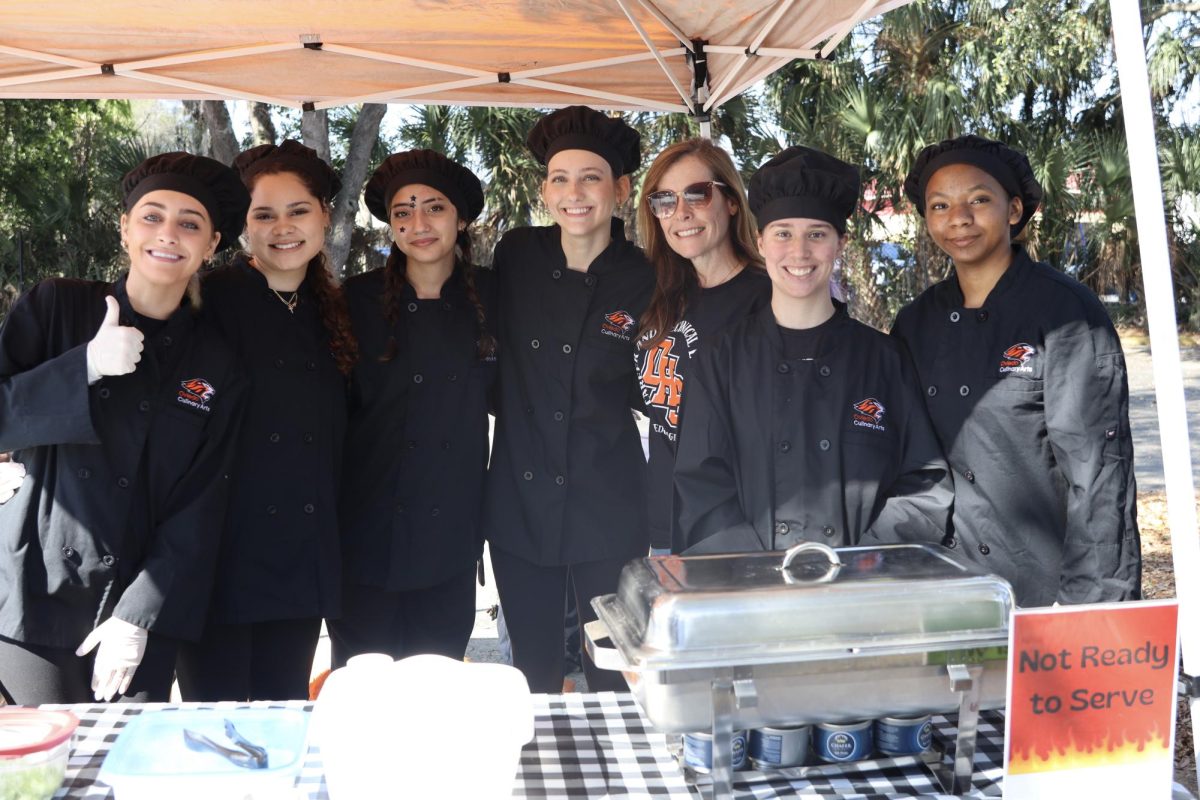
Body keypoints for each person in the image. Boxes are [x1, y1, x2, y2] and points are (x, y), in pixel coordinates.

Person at [0, 152, 249, 704]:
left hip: (138, 610)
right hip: (32, 595)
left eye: (190, 223)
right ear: (124, 229)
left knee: (127, 775)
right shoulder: (57, 307)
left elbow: (202, 502)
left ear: (210, 246)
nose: (168, 234)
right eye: (152, 216)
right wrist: (82, 367)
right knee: (38, 780)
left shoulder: (215, 360)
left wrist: (137, 617)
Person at [891, 134, 1141, 607]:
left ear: (1014, 210)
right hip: (941, 584)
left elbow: (1097, 474)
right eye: (940, 205)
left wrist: (1092, 608)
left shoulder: (1065, 312)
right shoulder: (914, 323)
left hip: (1042, 592)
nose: (959, 218)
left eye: (979, 200)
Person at [674, 146, 952, 554]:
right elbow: (701, 487)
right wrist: (758, 570)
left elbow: (924, 485)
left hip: (861, 597)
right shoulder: (719, 362)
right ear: (761, 241)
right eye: (783, 233)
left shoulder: (884, 360)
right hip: (752, 594)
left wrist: (867, 561)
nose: (799, 252)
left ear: (840, 243)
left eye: (817, 234)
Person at [176, 140, 356, 701]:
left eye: (298, 210)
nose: (284, 227)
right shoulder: (208, 300)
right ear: (242, 226)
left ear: (324, 216)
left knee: (285, 721)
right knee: (217, 733)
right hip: (216, 563)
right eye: (264, 214)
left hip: (298, 562)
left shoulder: (334, 309)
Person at [483, 105, 653, 693]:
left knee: (614, 669)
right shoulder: (516, 256)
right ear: (544, 189)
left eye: (591, 177)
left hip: (609, 498)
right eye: (559, 177)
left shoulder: (647, 275)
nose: (573, 192)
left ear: (621, 189)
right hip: (519, 496)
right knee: (530, 672)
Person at [329, 149, 496, 666]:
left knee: (436, 687)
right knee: (360, 691)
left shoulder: (492, 299)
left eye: (434, 208)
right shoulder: (353, 301)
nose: (417, 224)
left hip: (448, 539)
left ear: (461, 219)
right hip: (363, 534)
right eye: (403, 211)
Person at [633, 138, 770, 555]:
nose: (681, 213)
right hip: (662, 526)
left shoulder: (768, 298)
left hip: (737, 530)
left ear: (730, 200)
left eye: (697, 193)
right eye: (664, 200)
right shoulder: (657, 295)